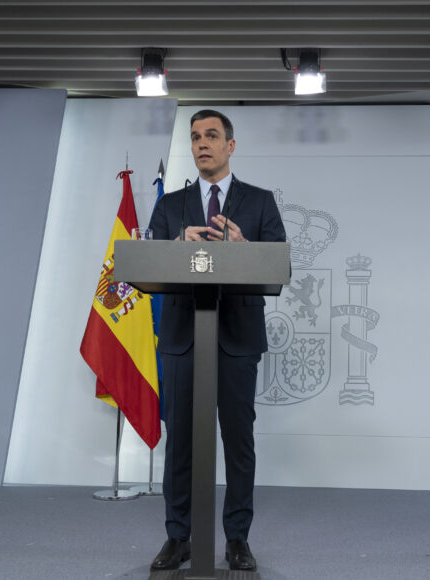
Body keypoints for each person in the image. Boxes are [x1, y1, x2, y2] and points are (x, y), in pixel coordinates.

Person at [148, 110, 286, 572]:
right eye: (194, 137)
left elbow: (280, 266)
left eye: (211, 135)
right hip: (182, 337)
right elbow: (147, 267)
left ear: (231, 145)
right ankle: (178, 536)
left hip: (237, 338)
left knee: (238, 441)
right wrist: (176, 248)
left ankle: (238, 539)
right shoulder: (171, 205)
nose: (201, 143)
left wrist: (244, 249)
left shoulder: (260, 202)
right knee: (180, 442)